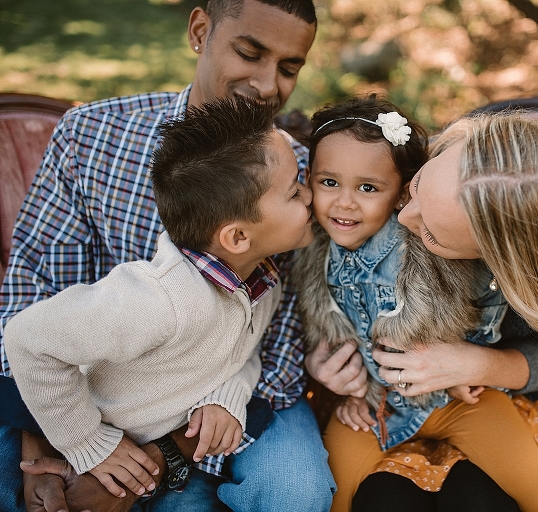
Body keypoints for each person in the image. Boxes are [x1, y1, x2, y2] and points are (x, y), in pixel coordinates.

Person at [0, 1, 335, 511]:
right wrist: (60, 440)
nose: (268, 86)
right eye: (249, 53)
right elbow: (34, 294)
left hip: (222, 402)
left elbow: (276, 342)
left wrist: (160, 460)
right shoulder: (88, 136)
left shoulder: (298, 176)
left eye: (290, 68)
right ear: (200, 31)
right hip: (77, 390)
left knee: (296, 490)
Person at [354, 112, 538, 508]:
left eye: (431, 233)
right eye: (416, 187)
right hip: (376, 408)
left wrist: (478, 364)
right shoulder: (394, 168)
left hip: (485, 409)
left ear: (501, 261)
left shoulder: (531, 278)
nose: (403, 216)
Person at [294, 97, 538, 512]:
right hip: (372, 409)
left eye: (367, 188)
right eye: (329, 183)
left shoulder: (440, 247)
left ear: (397, 192)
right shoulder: (307, 248)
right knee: (330, 492)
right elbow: (305, 328)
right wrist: (340, 380)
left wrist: (476, 362)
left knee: (533, 485)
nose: (344, 202)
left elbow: (485, 306)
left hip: (460, 399)